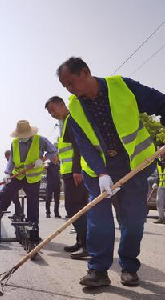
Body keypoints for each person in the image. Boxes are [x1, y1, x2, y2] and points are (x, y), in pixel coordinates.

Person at [57, 57, 165, 287]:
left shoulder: (123, 86)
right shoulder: (74, 108)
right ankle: (97, 270)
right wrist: (102, 173)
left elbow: (161, 103)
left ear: (85, 72)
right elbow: (85, 145)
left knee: (134, 220)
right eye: (65, 86)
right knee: (99, 221)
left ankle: (128, 266)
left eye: (71, 82)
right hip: (98, 172)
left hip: (134, 166)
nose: (69, 89)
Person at [45, 96, 89, 259]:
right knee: (80, 209)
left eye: (53, 110)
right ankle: (80, 241)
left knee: (73, 208)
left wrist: (77, 169)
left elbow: (78, 146)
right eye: (50, 112)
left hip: (75, 173)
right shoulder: (65, 123)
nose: (52, 114)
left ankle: (86, 245)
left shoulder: (71, 120)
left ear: (62, 104)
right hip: (72, 172)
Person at [0, 120, 57, 234]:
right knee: (5, 193)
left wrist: (42, 159)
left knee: (33, 204)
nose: (22, 137)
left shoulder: (41, 140)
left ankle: (33, 229)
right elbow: (12, 160)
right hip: (18, 175)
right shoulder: (14, 143)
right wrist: (8, 172)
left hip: (33, 178)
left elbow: (53, 151)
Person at [4, 149, 23, 217]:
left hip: (15, 182)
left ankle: (19, 213)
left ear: (8, 155)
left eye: (6, 157)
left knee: (15, 199)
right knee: (15, 199)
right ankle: (19, 213)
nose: (6, 159)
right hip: (13, 182)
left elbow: (13, 172)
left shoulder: (13, 161)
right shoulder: (11, 161)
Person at [152, 145, 165, 224]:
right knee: (158, 201)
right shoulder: (159, 161)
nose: (159, 153)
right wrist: (156, 183)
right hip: (161, 185)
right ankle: (161, 218)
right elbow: (158, 173)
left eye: (161, 151)